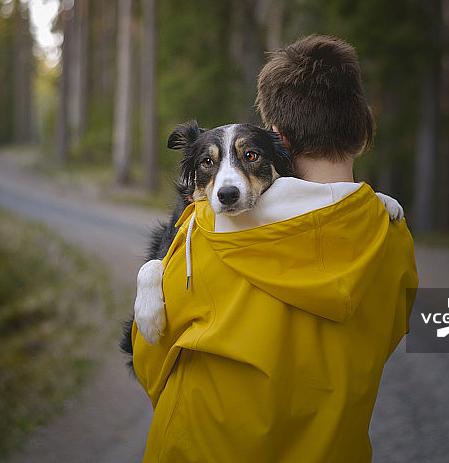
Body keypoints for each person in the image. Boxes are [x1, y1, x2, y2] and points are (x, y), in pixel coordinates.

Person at [131, 34, 418, 463]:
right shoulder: (394, 236)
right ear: (363, 132)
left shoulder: (208, 230)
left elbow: (150, 357)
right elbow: (383, 340)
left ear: (276, 138)